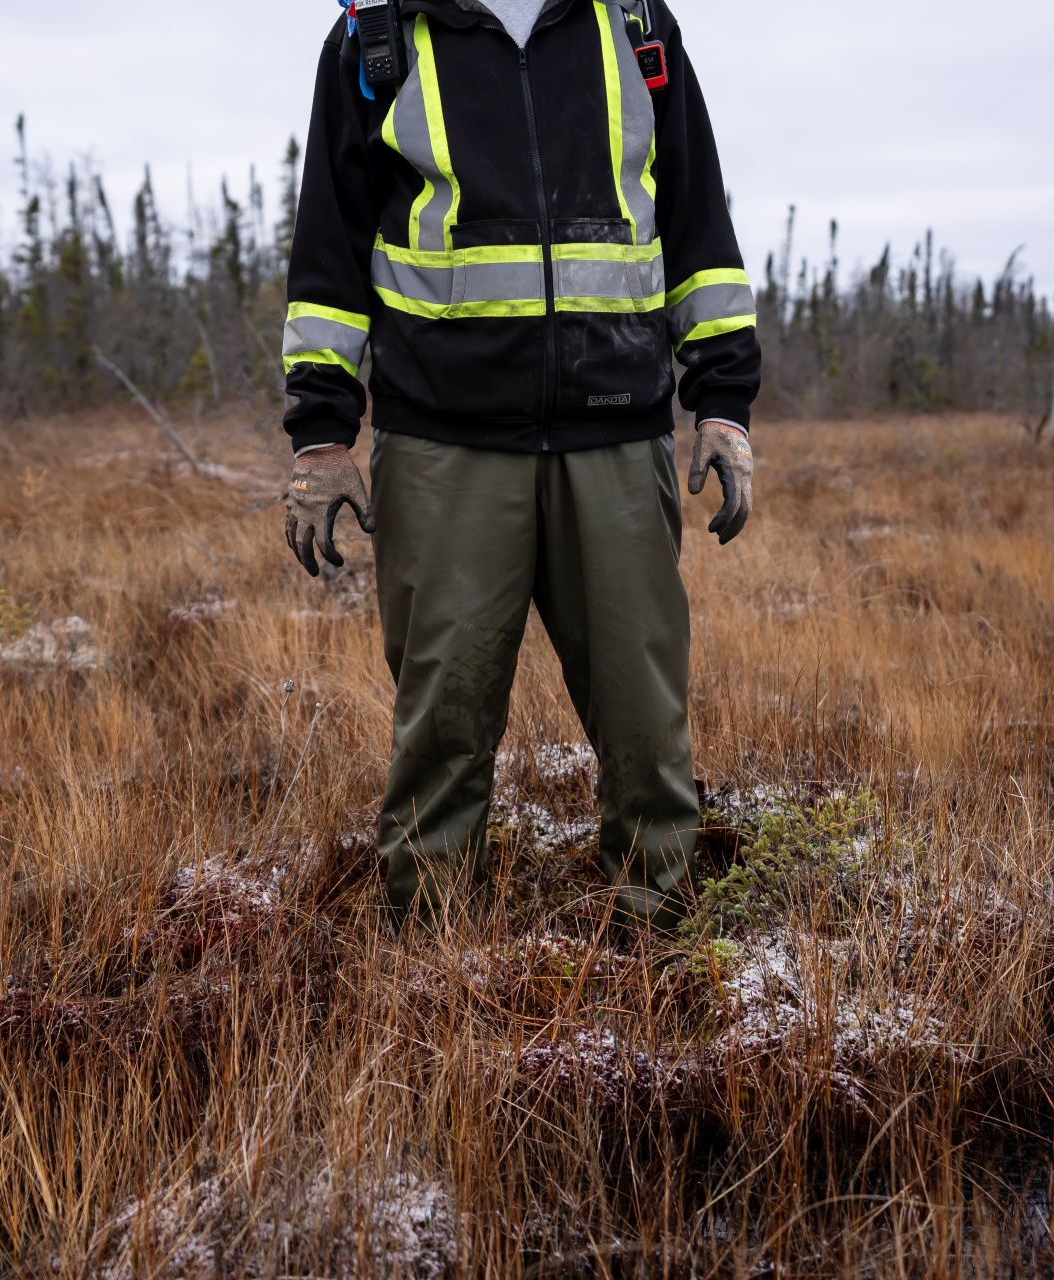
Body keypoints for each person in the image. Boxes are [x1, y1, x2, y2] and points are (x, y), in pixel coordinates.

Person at [280, 0, 761, 932]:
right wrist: (322, 437)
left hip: (617, 437)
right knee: (442, 727)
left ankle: (656, 949)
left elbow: (699, 226)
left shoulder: (637, 26)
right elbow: (328, 255)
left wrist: (723, 405)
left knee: (645, 723)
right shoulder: (376, 40)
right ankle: (431, 959)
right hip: (443, 445)